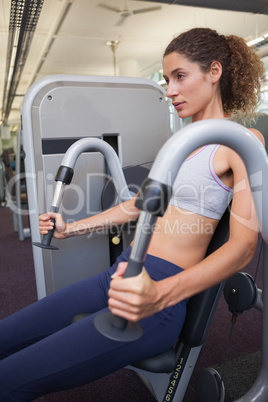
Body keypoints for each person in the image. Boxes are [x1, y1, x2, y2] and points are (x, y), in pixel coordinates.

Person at [0, 27, 266, 401]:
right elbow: (137, 204)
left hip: (158, 299)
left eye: (180, 77)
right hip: (119, 275)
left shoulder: (240, 143)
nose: (170, 90)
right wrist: (69, 228)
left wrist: (159, 294)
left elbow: (242, 249)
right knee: (7, 336)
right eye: (166, 79)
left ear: (214, 72)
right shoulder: (178, 145)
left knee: (10, 377)